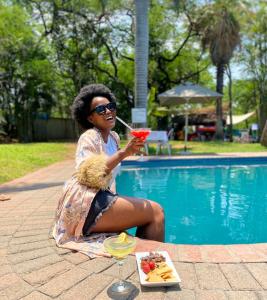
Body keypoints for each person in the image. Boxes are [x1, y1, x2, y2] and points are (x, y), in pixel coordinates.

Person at [53, 84, 165, 257]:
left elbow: (110, 173)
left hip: (101, 197)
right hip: (85, 203)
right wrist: (124, 153)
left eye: (110, 107)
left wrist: (130, 151)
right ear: (90, 118)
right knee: (156, 211)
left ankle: (145, 260)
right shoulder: (89, 136)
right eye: (100, 109)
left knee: (149, 212)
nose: (108, 111)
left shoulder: (114, 137)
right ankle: (152, 265)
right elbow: (88, 175)